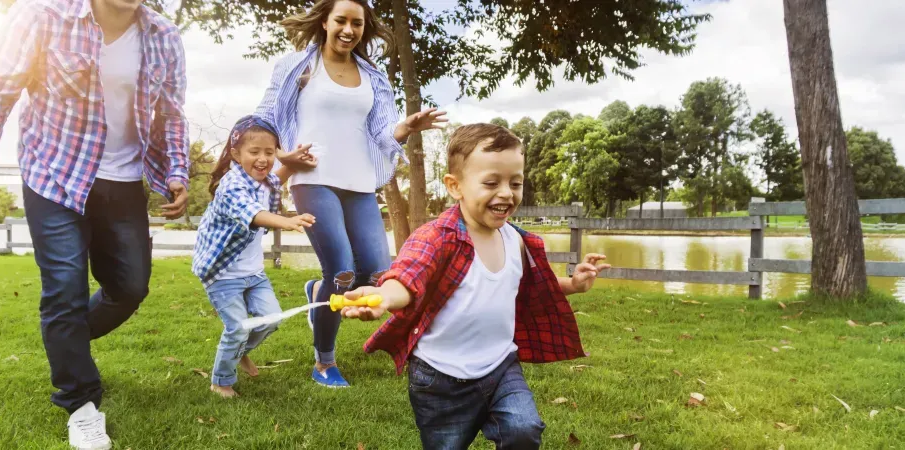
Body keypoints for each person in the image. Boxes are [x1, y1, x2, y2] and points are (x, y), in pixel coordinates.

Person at [0, 0, 190, 448]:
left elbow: (171, 113)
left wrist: (176, 170)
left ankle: (65, 341)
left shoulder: (164, 35)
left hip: (122, 181)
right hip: (55, 174)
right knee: (64, 288)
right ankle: (80, 400)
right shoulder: (42, 14)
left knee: (131, 287)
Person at [340, 123, 611, 449]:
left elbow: (530, 282)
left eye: (516, 182)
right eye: (491, 183)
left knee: (523, 430)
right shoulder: (437, 237)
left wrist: (573, 284)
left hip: (500, 367)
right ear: (456, 186)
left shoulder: (516, 240)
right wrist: (384, 295)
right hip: (439, 379)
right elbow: (409, 276)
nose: (507, 193)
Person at [255, 0, 447, 387]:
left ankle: (318, 292)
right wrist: (281, 156)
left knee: (377, 275)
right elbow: (265, 119)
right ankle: (324, 362)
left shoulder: (373, 76)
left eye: (356, 23)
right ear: (325, 22)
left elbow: (379, 133)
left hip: (359, 180)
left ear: (364, 28)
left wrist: (405, 127)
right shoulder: (297, 67)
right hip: (313, 177)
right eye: (340, 20)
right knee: (341, 272)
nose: (348, 29)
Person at [192, 115, 317, 399]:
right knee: (236, 327)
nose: (262, 159)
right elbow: (253, 214)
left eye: (269, 152)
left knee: (271, 319)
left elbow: (277, 176)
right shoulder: (232, 185)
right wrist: (287, 221)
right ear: (236, 154)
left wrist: (292, 162)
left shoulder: (263, 180)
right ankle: (221, 381)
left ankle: (239, 351)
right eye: (254, 152)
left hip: (253, 273)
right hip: (222, 274)